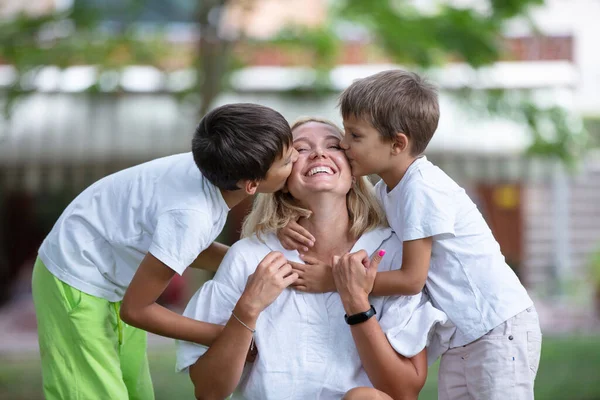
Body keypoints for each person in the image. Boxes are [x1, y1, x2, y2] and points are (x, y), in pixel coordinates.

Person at [280, 70, 542, 400]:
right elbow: (342, 212)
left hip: (497, 326)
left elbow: (411, 280)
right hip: (464, 333)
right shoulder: (389, 190)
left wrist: (333, 280)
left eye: (355, 135)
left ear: (397, 144)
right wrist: (290, 219)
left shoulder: (421, 189)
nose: (344, 144)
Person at [31, 103, 298, 400]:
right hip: (75, 275)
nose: (297, 158)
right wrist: (227, 334)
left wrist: (251, 257)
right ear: (251, 185)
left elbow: (178, 248)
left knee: (137, 392)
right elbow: (137, 310)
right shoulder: (191, 214)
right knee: (93, 392)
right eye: (287, 160)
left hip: (118, 277)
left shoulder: (214, 165)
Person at [176, 118, 451, 400]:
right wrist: (247, 309)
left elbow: (404, 392)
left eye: (333, 146)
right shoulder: (249, 256)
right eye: (300, 150)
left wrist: (356, 302)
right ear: (281, 179)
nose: (319, 154)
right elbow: (209, 391)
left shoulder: (390, 254)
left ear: (354, 170)